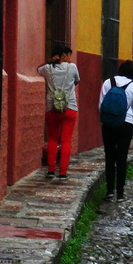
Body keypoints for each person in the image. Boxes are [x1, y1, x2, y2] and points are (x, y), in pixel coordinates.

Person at [99, 59, 133, 202]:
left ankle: (109, 190)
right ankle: (120, 193)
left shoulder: (108, 82)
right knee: (122, 158)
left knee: (109, 156)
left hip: (109, 124)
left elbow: (101, 106)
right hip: (126, 124)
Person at [37, 44, 80, 179]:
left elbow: (38, 69)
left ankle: (50, 170)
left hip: (52, 108)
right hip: (70, 108)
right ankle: (62, 172)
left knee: (52, 139)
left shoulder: (47, 69)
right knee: (66, 141)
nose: (69, 58)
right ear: (62, 56)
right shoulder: (72, 68)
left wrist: (50, 61)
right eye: (67, 55)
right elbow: (77, 81)